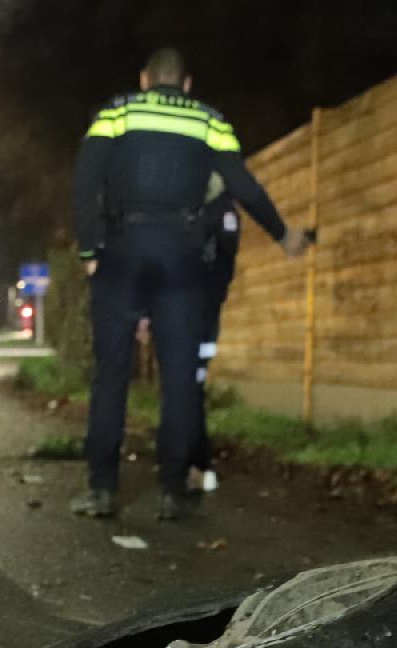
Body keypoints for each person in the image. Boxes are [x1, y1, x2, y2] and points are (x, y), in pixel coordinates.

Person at [71, 47, 308, 520]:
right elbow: (244, 187)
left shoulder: (115, 114)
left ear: (144, 79)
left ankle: (101, 488)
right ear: (186, 84)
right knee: (179, 379)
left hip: (122, 249)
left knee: (111, 375)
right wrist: (283, 233)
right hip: (181, 255)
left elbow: (84, 183)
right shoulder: (209, 120)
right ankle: (172, 491)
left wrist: (89, 253)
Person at [189, 175, 242, 495]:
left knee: (190, 391)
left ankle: (197, 464)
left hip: (201, 317)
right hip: (194, 315)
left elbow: (222, 268)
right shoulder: (202, 211)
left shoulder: (220, 214)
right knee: (187, 392)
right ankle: (192, 464)